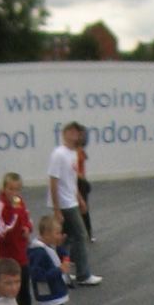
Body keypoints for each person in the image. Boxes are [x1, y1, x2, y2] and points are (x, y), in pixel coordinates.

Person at [49, 122, 104, 286]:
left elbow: (71, 181)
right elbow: (53, 181)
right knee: (80, 235)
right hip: (64, 203)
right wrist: (57, 209)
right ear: (64, 134)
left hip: (70, 200)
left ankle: (62, 273)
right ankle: (83, 274)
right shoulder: (58, 154)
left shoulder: (73, 153)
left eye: (77, 132)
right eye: (71, 131)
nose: (74, 135)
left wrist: (79, 198)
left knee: (65, 238)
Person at [26, 213, 76, 305]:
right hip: (50, 295)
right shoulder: (39, 253)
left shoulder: (48, 247)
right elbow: (37, 276)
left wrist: (61, 249)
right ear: (47, 234)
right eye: (57, 233)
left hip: (53, 293)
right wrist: (59, 270)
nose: (59, 236)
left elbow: (59, 256)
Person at [0, 172, 32, 261]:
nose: (14, 193)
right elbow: (2, 233)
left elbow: (27, 218)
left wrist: (27, 228)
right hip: (8, 255)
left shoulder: (20, 202)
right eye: (10, 189)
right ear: (4, 189)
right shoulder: (0, 207)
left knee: (25, 273)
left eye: (17, 190)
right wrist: (15, 213)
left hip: (22, 252)